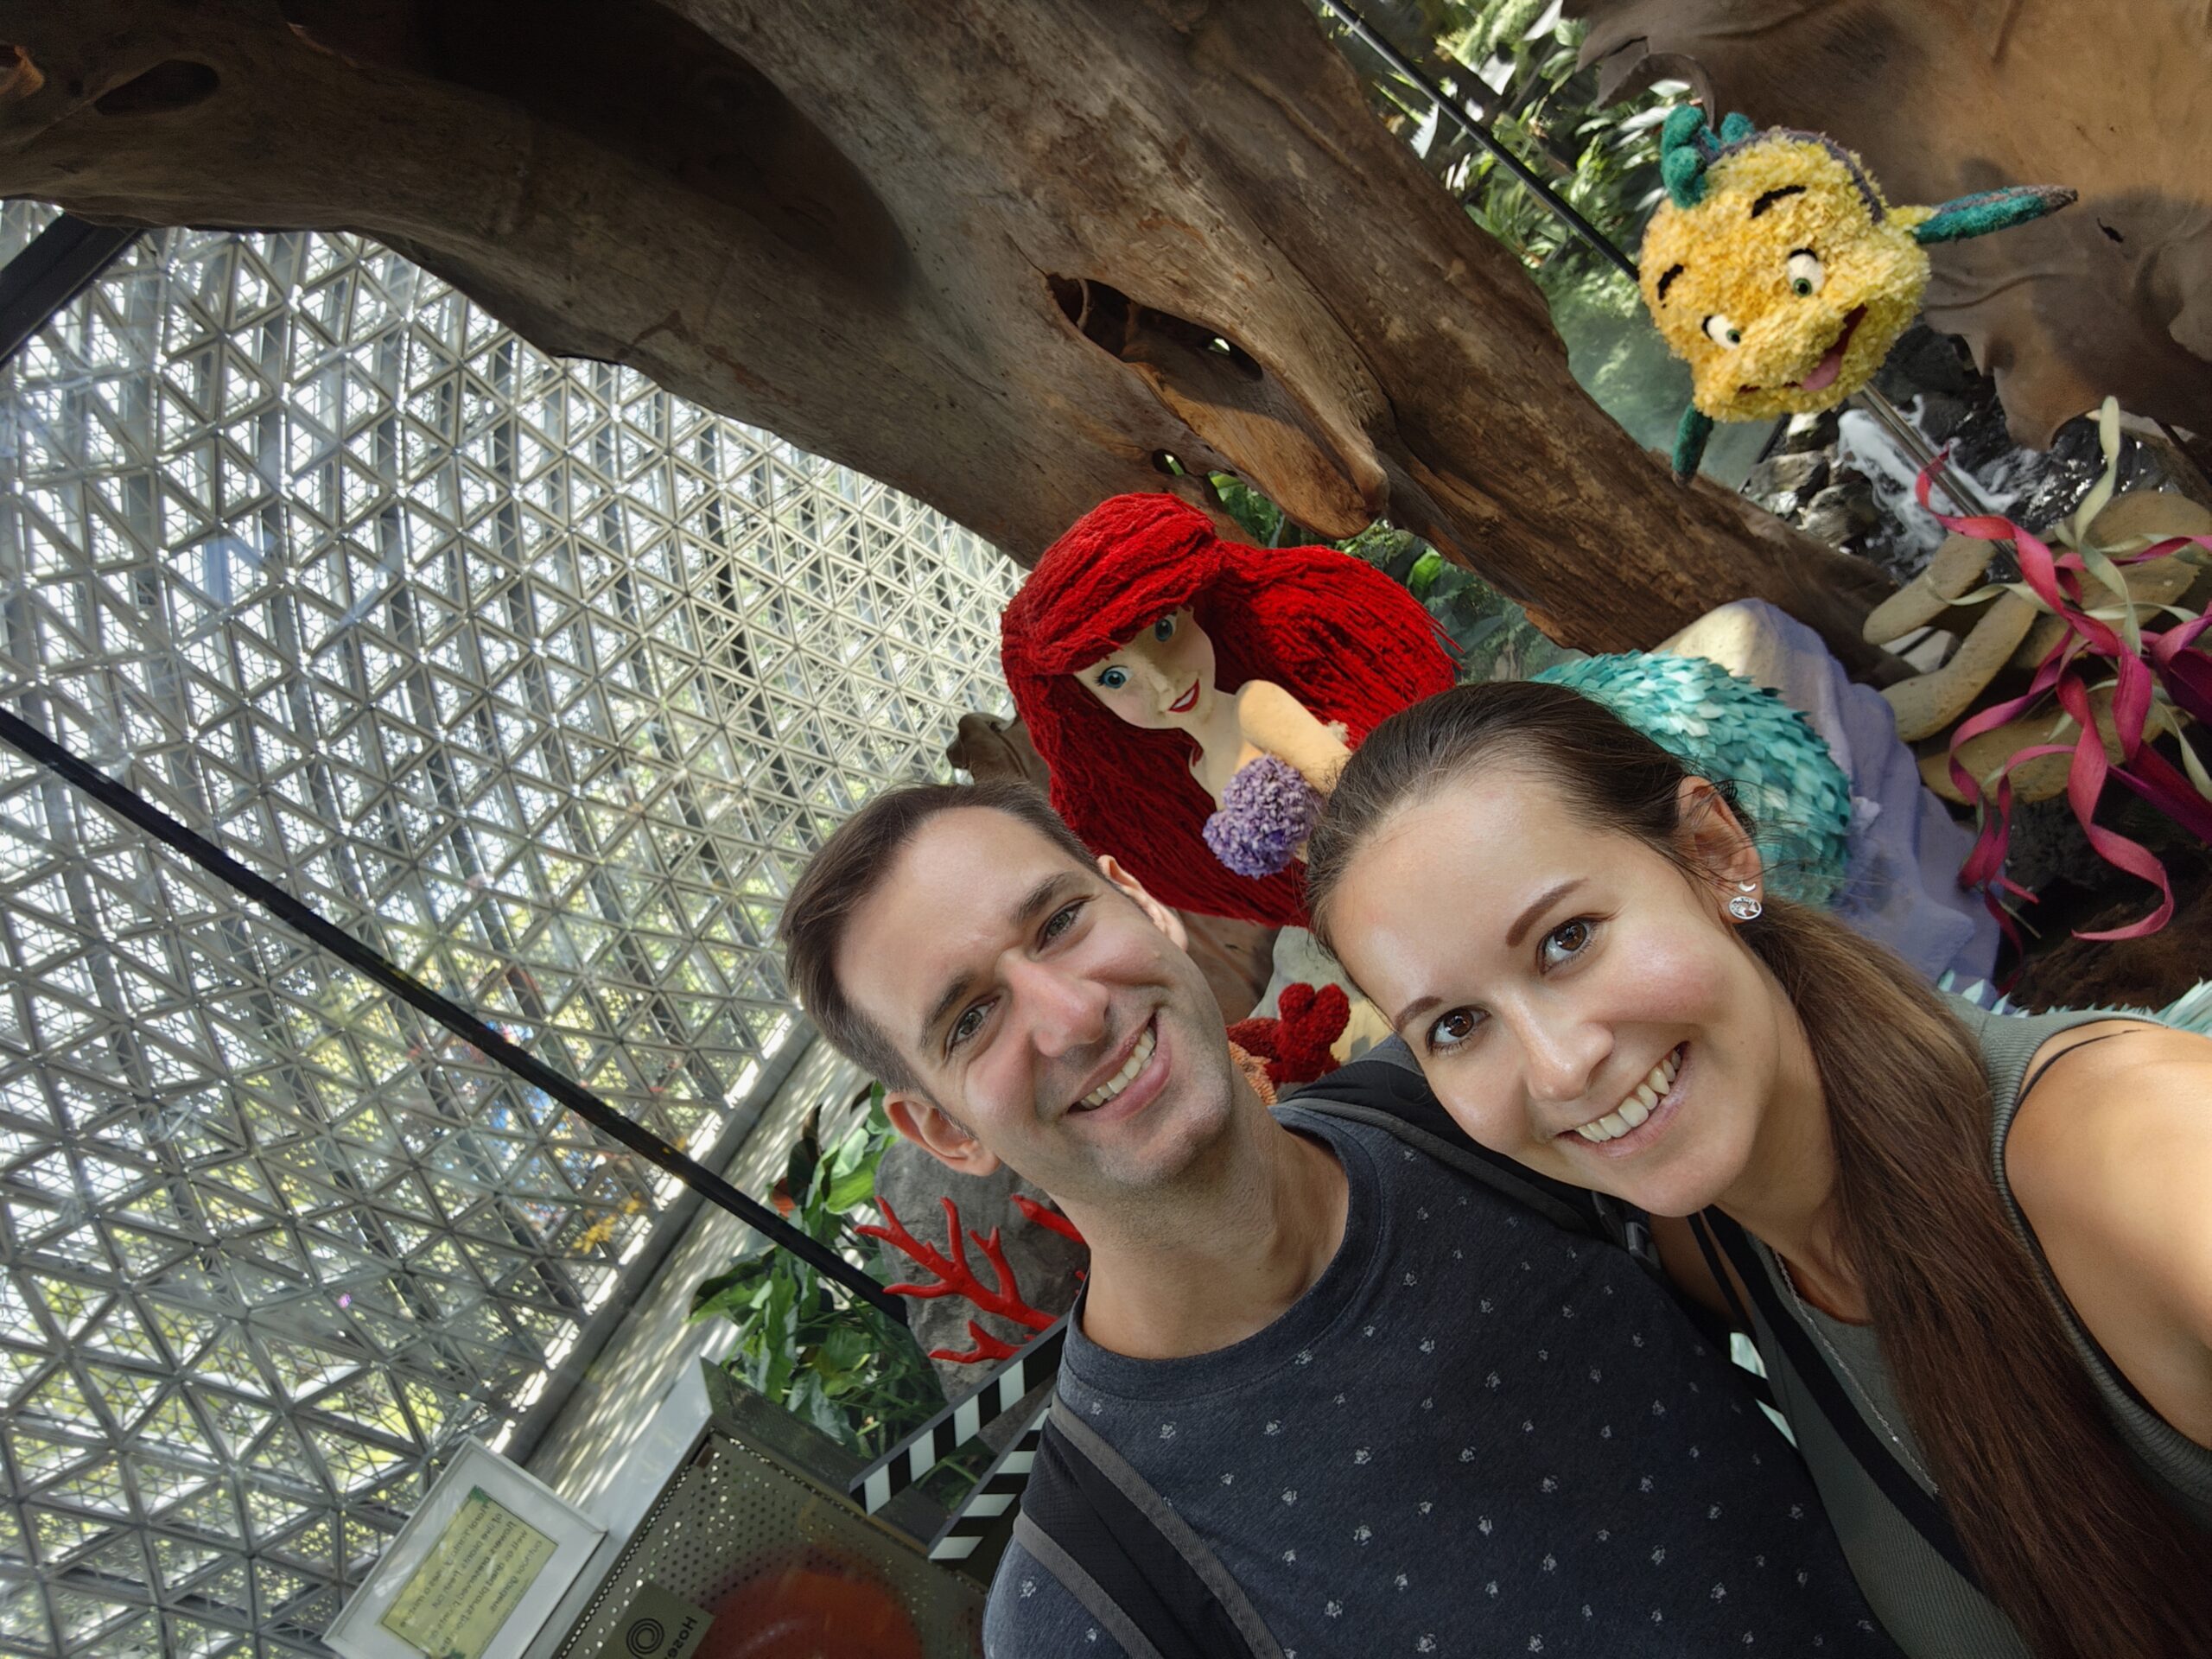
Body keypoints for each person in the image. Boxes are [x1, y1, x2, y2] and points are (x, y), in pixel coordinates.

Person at [779, 779, 1893, 1656]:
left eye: (1062, 922)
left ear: (1145, 903)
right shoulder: (1093, 1603)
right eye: (971, 1019)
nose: (1070, 1017)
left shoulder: (1468, 1110)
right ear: (943, 1131)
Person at [1302, 680, 2212, 1659]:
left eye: (1568, 939)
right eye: (1455, 1025)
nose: (1558, 1068)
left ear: (1713, 852)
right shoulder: (1716, 1251)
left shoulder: (2139, 1156)